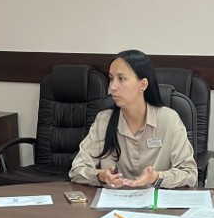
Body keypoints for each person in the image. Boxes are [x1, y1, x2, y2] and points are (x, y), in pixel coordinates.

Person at [69, 50, 197, 189]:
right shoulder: (104, 120)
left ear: (143, 85)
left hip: (155, 200)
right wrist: (100, 176)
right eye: (111, 78)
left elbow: (189, 174)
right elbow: (77, 169)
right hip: (114, 200)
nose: (112, 87)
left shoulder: (168, 120)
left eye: (121, 79)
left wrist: (157, 177)